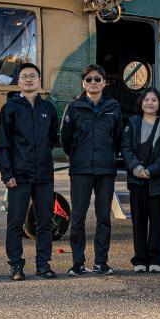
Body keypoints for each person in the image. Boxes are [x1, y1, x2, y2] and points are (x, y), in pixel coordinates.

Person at [0, 63, 60, 281]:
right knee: (15, 222)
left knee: (44, 222)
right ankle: (16, 265)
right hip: (19, 176)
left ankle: (43, 264)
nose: (29, 80)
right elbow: (3, 145)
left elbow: (52, 138)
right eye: (24, 76)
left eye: (33, 76)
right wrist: (7, 174)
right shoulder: (10, 109)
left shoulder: (48, 109)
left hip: (43, 176)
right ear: (18, 81)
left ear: (39, 80)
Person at [60, 64, 123, 277]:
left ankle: (101, 262)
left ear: (105, 83)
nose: (93, 82)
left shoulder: (114, 106)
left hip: (105, 169)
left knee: (103, 217)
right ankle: (77, 263)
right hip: (81, 170)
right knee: (77, 217)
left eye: (97, 79)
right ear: (83, 83)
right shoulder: (74, 106)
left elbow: (117, 138)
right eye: (89, 79)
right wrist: (78, 156)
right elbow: (65, 138)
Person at [121, 88, 160, 273]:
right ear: (141, 102)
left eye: (154, 100)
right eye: (146, 99)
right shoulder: (133, 123)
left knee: (157, 221)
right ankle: (140, 259)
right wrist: (136, 168)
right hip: (137, 180)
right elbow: (126, 148)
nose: (150, 103)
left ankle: (156, 259)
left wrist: (151, 171)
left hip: (158, 182)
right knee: (138, 222)